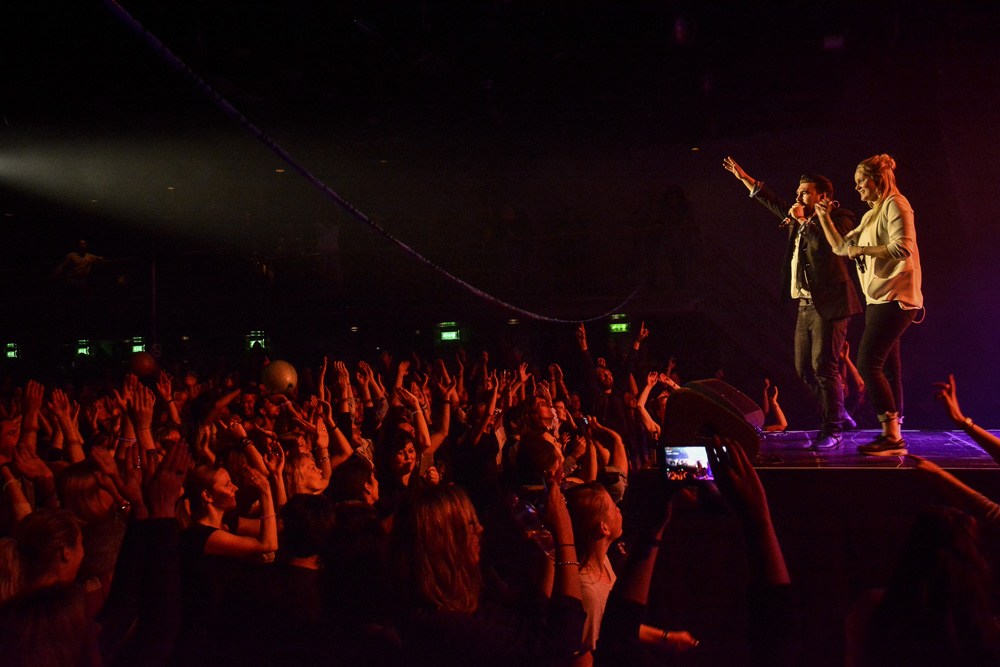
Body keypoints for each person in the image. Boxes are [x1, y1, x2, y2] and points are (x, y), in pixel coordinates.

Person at [723, 157, 862, 450]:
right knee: (803, 369)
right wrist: (745, 178)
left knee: (824, 366)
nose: (798, 197)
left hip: (831, 304)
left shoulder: (842, 217)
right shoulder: (798, 217)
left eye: (805, 192)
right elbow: (773, 201)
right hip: (805, 305)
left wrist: (802, 221)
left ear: (823, 196)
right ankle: (837, 412)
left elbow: (828, 247)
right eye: (798, 192)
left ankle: (833, 428)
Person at [815, 154, 922, 455]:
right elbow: (840, 247)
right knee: (888, 368)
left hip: (896, 297)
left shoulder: (896, 205)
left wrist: (862, 249)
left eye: (861, 182)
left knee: (867, 363)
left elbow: (903, 248)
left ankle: (892, 436)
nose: (858, 188)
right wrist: (823, 216)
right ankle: (894, 433)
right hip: (879, 296)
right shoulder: (872, 213)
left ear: (877, 180)